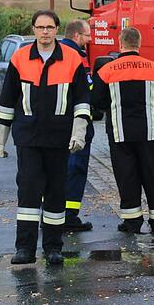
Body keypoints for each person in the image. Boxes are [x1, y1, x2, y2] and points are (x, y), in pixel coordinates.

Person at [0, 10, 92, 267]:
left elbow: (82, 100)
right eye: (40, 27)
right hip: (27, 138)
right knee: (27, 193)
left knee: (56, 195)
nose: (45, 32)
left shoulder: (72, 59)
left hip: (59, 139)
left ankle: (53, 248)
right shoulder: (20, 57)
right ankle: (24, 249)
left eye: (49, 27)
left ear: (57, 29)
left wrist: (78, 132)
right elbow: (6, 101)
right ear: (34, 29)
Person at [93, 27, 154, 234]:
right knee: (151, 177)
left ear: (120, 43)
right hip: (148, 132)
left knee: (127, 177)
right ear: (139, 42)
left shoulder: (107, 70)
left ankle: (132, 221)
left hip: (120, 133)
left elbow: (97, 100)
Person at [59, 19, 95, 232]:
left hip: (58, 121)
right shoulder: (76, 56)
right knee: (76, 167)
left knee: (56, 168)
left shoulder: (55, 52)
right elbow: (86, 88)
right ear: (77, 36)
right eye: (87, 35)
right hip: (76, 121)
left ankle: (53, 212)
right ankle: (69, 216)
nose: (90, 40)